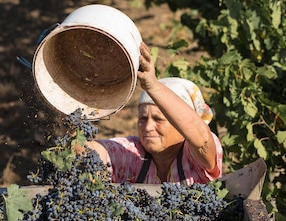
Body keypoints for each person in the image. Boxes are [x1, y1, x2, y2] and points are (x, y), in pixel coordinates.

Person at [81, 42, 223, 185]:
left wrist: (153, 86)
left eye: (158, 119)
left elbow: (201, 138)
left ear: (180, 123)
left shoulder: (193, 157)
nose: (148, 127)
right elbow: (89, 153)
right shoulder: (133, 153)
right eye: (143, 118)